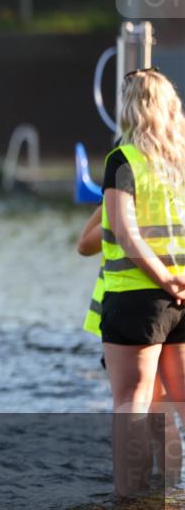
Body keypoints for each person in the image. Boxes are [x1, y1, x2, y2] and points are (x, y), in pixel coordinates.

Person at [99, 68, 185, 496]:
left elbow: (125, 234)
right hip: (183, 297)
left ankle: (130, 505)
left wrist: (163, 279)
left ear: (131, 107)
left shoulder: (124, 159)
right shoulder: (181, 161)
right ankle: (169, 495)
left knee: (130, 402)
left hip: (138, 297)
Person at [77, 205, 181, 486]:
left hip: (133, 315)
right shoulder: (174, 206)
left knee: (138, 408)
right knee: (165, 414)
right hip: (177, 308)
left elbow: (84, 244)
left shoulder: (126, 212)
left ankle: (139, 497)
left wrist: (105, 203)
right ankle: (169, 488)